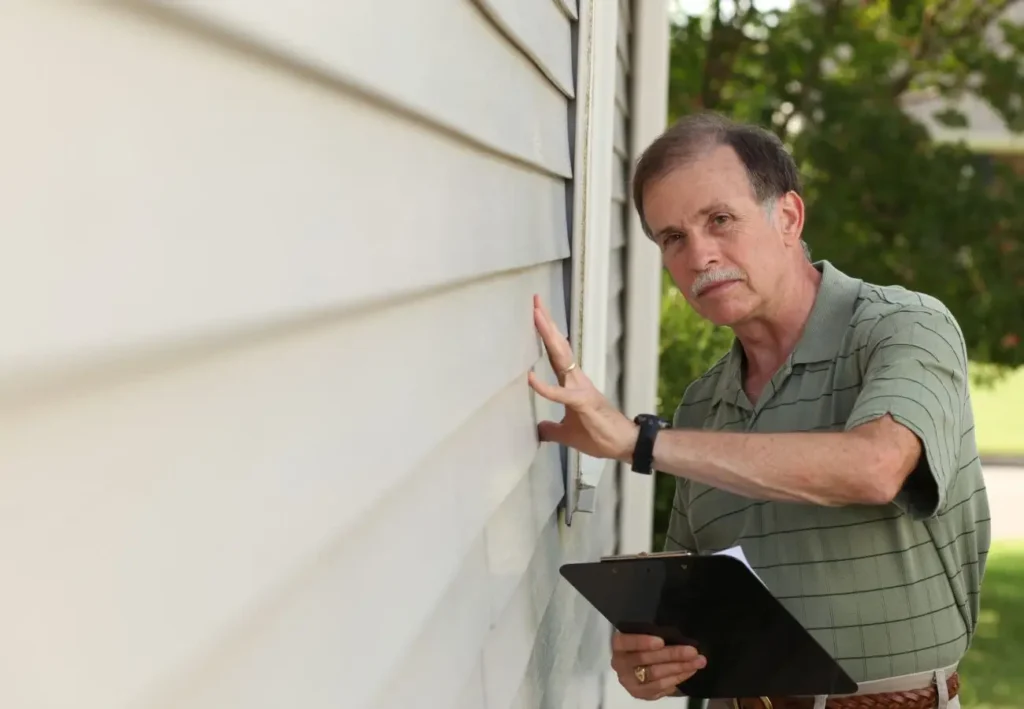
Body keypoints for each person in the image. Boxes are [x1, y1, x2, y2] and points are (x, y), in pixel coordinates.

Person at [528, 112, 990, 709]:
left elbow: (877, 467)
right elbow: (694, 604)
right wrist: (652, 661)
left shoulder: (903, 327)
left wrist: (638, 441)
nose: (699, 255)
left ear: (789, 218)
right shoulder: (702, 403)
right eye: (673, 238)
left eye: (720, 220)